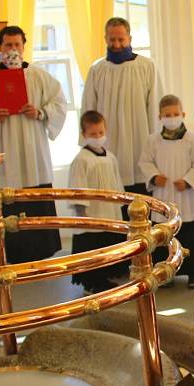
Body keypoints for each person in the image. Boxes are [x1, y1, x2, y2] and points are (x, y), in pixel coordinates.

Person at [0, 25, 66, 263]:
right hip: (2, 150)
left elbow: (59, 103)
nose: (13, 49)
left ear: (23, 46)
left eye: (17, 45)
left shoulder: (38, 75)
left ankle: (41, 254)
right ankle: (7, 253)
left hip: (33, 152)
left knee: (35, 199)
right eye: (8, 45)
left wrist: (40, 112)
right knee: (5, 201)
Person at [81, 17, 161, 195]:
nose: (116, 44)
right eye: (112, 40)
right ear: (105, 39)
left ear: (129, 39)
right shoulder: (98, 69)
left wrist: (156, 143)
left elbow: (155, 106)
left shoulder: (146, 66)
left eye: (121, 39)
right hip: (109, 143)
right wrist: (89, 142)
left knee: (141, 202)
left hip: (139, 142)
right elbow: (89, 108)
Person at [139, 95, 194, 288]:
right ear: (160, 116)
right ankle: (165, 273)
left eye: (175, 114)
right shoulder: (152, 140)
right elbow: (145, 162)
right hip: (163, 195)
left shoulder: (193, 139)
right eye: (167, 115)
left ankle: (193, 273)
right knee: (164, 236)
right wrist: (154, 176)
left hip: (186, 196)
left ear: (183, 114)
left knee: (190, 236)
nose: (172, 117)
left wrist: (188, 180)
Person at [68, 111, 128, 294]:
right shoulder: (81, 160)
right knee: (92, 247)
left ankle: (107, 277)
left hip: (110, 212)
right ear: (84, 134)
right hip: (91, 214)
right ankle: (92, 282)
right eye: (93, 134)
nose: (98, 137)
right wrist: (81, 210)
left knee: (108, 244)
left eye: (101, 133)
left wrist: (121, 202)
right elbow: (77, 187)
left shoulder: (110, 156)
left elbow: (117, 182)